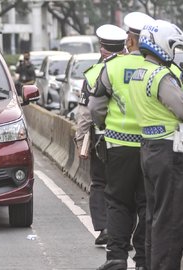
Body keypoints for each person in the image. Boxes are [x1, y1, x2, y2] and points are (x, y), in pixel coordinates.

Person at [128, 19, 183, 270]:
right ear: (161, 44)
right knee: (172, 218)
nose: (174, 52)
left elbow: (159, 104)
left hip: (149, 149)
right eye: (173, 47)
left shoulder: (139, 73)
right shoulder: (161, 74)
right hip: (169, 152)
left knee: (155, 216)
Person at [89, 12, 156, 270]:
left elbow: (96, 107)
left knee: (118, 202)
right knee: (147, 204)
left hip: (118, 147)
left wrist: (104, 126)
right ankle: (143, 260)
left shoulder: (113, 67)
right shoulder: (162, 68)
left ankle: (116, 257)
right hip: (153, 147)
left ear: (129, 39)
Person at [74, 24, 126, 248]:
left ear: (103, 49)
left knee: (100, 183)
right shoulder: (134, 68)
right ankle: (125, 233)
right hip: (134, 140)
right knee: (127, 186)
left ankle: (105, 228)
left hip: (103, 139)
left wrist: (80, 140)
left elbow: (86, 112)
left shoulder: (95, 72)